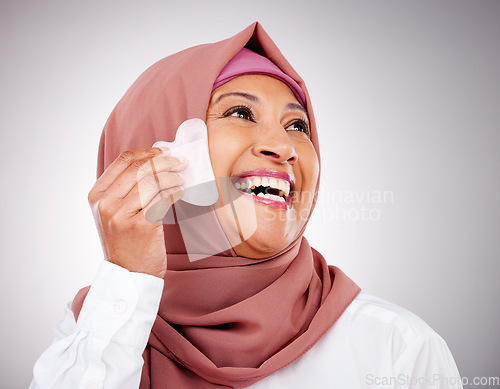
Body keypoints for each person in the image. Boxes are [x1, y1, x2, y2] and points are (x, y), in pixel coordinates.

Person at [30, 22, 463, 389]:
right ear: (152, 144)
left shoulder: (397, 349)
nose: (283, 147)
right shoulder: (93, 334)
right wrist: (128, 279)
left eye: (298, 125)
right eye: (239, 114)